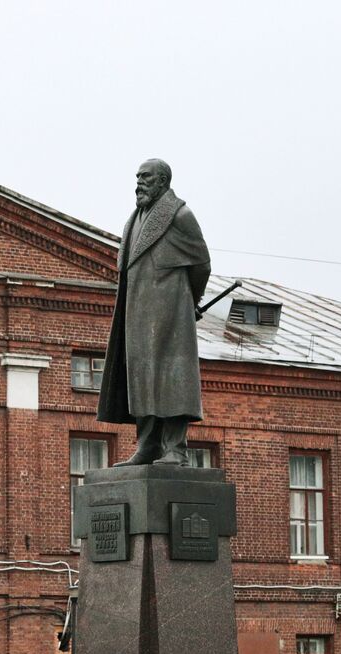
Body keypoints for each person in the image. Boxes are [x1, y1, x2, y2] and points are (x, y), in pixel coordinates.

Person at [96, 158, 212, 466]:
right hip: (137, 313)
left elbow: (201, 263)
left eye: (146, 177)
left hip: (171, 311)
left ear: (162, 182)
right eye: (137, 177)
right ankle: (147, 445)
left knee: (172, 378)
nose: (139, 183)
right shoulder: (134, 218)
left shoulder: (180, 215)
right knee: (141, 377)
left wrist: (190, 302)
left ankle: (176, 449)